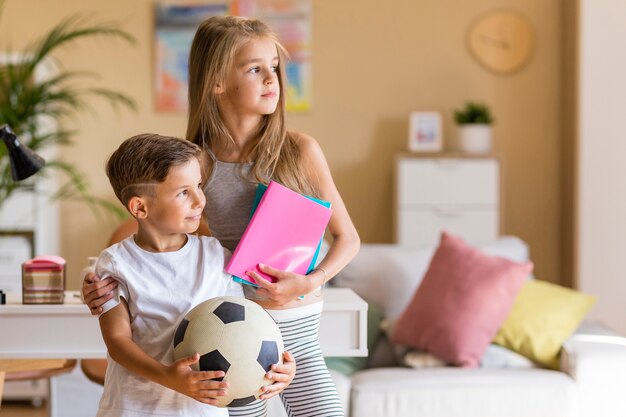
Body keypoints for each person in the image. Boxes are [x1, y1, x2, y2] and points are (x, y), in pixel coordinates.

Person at [84, 16, 360, 417]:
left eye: (275, 68)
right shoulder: (193, 163)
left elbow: (348, 239)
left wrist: (308, 281)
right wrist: (108, 284)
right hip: (229, 336)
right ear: (216, 81)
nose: (271, 79)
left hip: (296, 326)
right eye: (254, 69)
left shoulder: (299, 150)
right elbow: (166, 240)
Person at [94, 134, 294, 417]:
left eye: (199, 186)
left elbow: (249, 327)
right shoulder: (116, 263)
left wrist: (280, 366)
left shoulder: (215, 256)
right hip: (135, 409)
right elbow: (118, 342)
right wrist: (168, 377)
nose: (200, 200)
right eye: (183, 192)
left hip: (201, 412)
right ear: (140, 207)